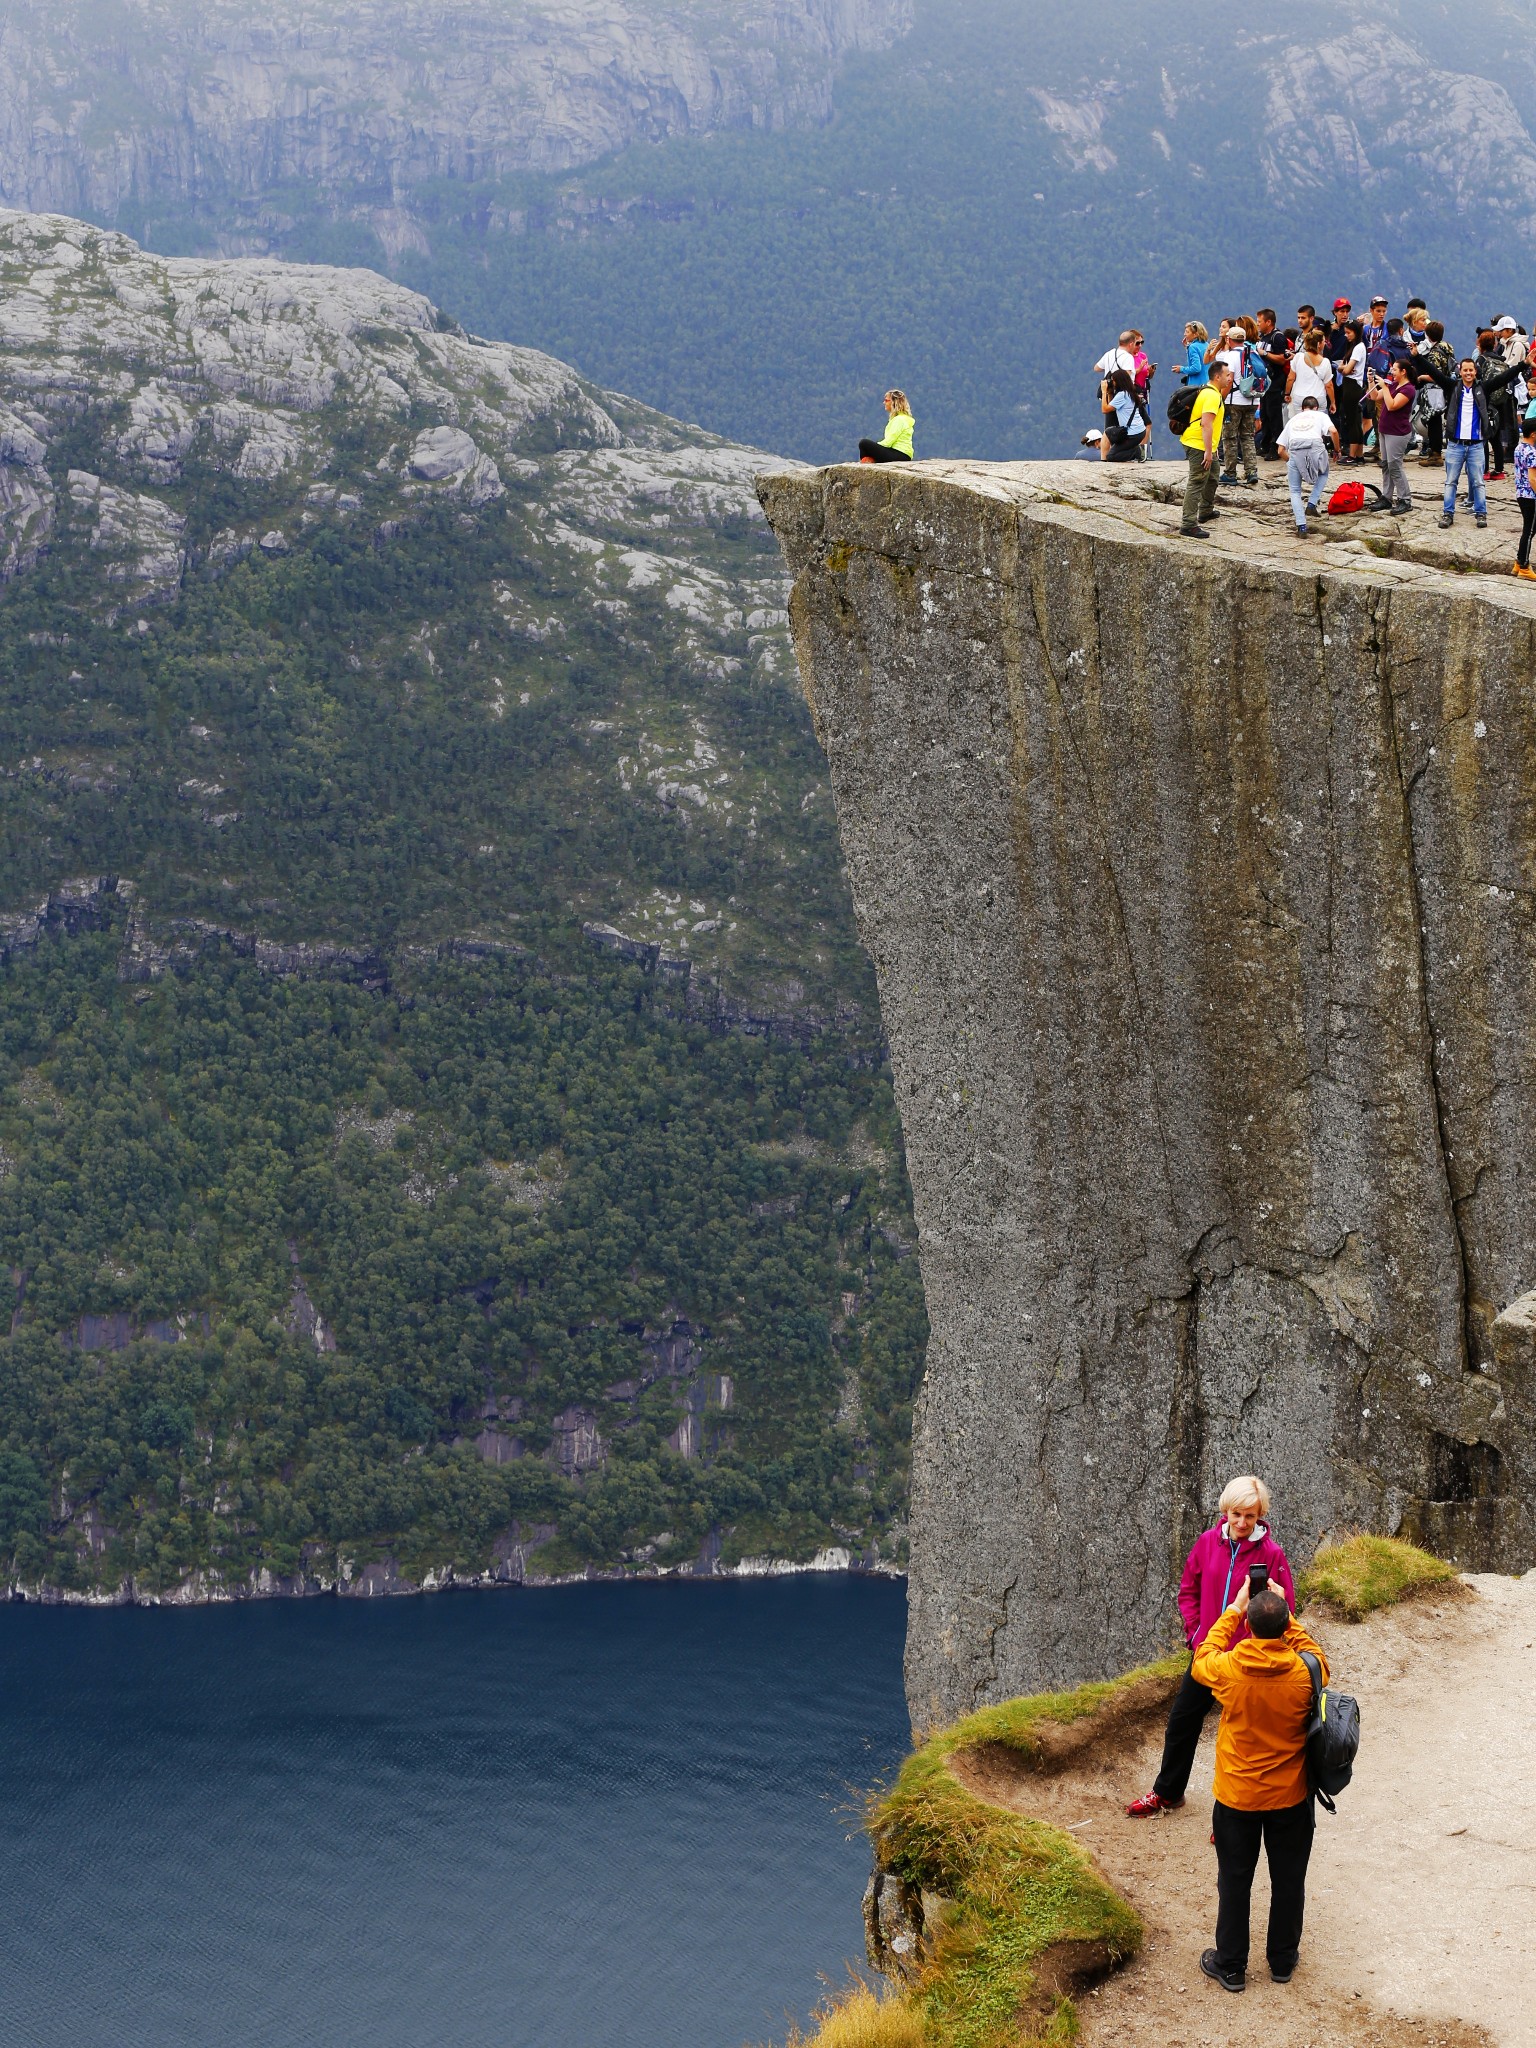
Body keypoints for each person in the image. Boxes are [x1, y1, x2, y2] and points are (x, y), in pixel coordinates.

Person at [1125, 1475, 1296, 1813]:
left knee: (1242, 1736)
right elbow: (1188, 1589)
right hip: (1208, 1652)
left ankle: (1237, 1811)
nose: (1243, 1523)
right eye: (1236, 1514)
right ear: (1226, 1511)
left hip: (1247, 1658)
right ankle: (1169, 1792)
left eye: (1250, 1516)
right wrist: (1195, 1633)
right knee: (1182, 1720)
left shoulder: (1272, 1553)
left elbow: (1283, 1605)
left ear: (1261, 1514)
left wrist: (1256, 1642)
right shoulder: (1206, 1542)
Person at [1192, 1574, 1330, 1992]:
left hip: (1238, 1795)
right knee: (1289, 1878)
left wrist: (1233, 1610)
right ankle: (1283, 1961)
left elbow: (1202, 1655)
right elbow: (1315, 1653)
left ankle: (1231, 1965)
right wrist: (1286, 1614)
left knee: (1235, 1879)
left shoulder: (1228, 1670)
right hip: (1290, 1794)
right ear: (1286, 1625)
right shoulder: (1307, 1671)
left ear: (1249, 1627)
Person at [1179, 359, 1232, 538]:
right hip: (1198, 444)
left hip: (1202, 443)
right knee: (1197, 482)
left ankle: (1206, 510)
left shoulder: (1210, 390)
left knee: (1213, 474)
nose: (1229, 377)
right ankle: (1188, 524)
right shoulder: (1211, 396)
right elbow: (1206, 424)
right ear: (1217, 377)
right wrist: (1208, 452)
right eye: (1227, 374)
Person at [1206, 317, 1260, 483]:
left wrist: (1221, 399)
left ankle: (1230, 473)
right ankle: (1251, 472)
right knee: (1247, 437)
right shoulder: (1254, 353)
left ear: (1229, 339)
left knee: (1229, 437)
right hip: (1252, 400)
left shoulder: (1230, 356)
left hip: (1233, 401)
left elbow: (1228, 380)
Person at [1441, 358, 1493, 527]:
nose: (1468, 373)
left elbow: (1503, 378)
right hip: (1455, 444)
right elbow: (1435, 374)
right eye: (1465, 370)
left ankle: (1481, 513)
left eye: (1471, 370)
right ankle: (1448, 513)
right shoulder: (1453, 387)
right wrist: (1417, 356)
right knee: (1451, 481)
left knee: (1478, 482)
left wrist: (1523, 365)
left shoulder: (1482, 388)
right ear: (1460, 371)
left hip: (1476, 444)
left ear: (1475, 371)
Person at [1278, 396, 1339, 536]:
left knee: (1294, 491)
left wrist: (1293, 463)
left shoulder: (1293, 419)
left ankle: (1301, 527)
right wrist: (1337, 450)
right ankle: (1312, 503)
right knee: (1323, 473)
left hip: (1295, 450)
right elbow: (1334, 432)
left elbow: (1280, 450)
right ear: (1316, 408)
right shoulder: (1320, 415)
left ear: (1302, 409)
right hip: (1315, 448)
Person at [1371, 355, 1415, 512]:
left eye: (1394, 370)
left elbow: (1391, 405)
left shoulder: (1408, 389)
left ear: (1403, 372)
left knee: (1394, 465)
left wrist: (1384, 387)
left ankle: (1405, 499)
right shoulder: (1393, 385)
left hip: (1397, 433)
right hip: (1385, 429)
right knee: (1386, 465)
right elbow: (1374, 396)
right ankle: (1386, 497)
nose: (1392, 372)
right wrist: (1371, 381)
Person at [1084, 367, 1149, 462]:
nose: (1112, 383)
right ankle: (1104, 461)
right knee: (1108, 432)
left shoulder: (1122, 395)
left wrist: (1104, 392)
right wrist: (1110, 393)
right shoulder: (1129, 393)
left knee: (1111, 456)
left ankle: (1137, 451)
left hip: (1132, 434)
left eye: (1113, 381)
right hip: (1137, 431)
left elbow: (1105, 409)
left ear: (1119, 381)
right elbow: (1111, 407)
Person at [1254, 309, 1290, 459]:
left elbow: (1282, 359)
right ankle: (1266, 443)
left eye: (1260, 322)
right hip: (1264, 381)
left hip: (1275, 380)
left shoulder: (1278, 337)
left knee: (1274, 414)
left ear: (1268, 322)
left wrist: (1265, 354)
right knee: (1265, 414)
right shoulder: (1263, 337)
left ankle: (1276, 447)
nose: (1258, 325)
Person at [1335, 319, 1367, 463]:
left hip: (1352, 386)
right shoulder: (1353, 347)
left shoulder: (1358, 348)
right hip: (1351, 385)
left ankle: (1352, 455)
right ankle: (1359, 454)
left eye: (1349, 333)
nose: (1346, 335)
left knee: (1352, 421)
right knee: (1356, 420)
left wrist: (1342, 369)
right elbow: (1343, 367)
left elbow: (1345, 369)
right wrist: (1343, 369)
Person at [1285, 328, 1334, 418]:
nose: (1325, 343)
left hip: (1299, 398)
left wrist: (1287, 393)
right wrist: (1333, 402)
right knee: (1317, 425)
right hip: (1318, 399)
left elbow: (1290, 378)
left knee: (1300, 424)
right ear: (1319, 344)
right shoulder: (1325, 362)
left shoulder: (1298, 357)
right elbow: (1329, 385)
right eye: (1323, 341)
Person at [858, 389, 914, 463]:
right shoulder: (903, 418)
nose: (884, 402)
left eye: (886, 400)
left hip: (899, 454)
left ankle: (866, 465)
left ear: (894, 403)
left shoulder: (899, 420)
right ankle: (869, 462)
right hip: (904, 455)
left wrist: (874, 447)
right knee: (867, 446)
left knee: (864, 443)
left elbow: (888, 442)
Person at [1512, 413, 1536, 579]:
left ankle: (1518, 561)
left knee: (1529, 529)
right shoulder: (1532, 453)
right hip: (1531, 495)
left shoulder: (1519, 448)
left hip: (1521, 493)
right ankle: (1525, 567)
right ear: (1533, 434)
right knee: (1529, 531)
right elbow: (1533, 477)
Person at [1177, 321, 1210, 388]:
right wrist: (1187, 349)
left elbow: (1196, 368)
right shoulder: (1206, 345)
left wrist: (1181, 369)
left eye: (1187, 332)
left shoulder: (1193, 347)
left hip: (1196, 386)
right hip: (1207, 383)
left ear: (1195, 334)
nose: (1184, 334)